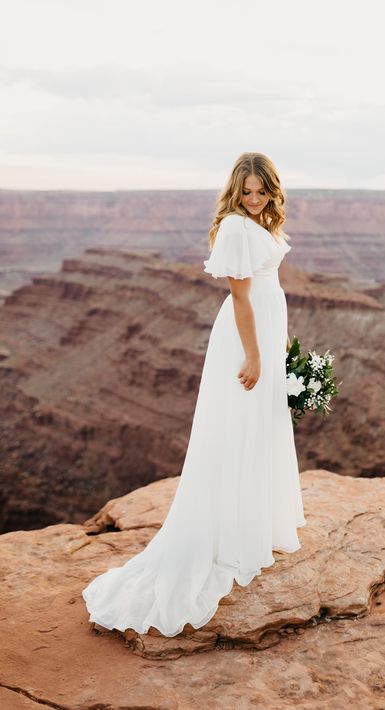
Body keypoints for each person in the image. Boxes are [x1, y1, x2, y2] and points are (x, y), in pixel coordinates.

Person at [82, 152, 307, 638]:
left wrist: (281, 342)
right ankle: (226, 533)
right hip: (246, 337)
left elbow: (268, 289)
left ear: (272, 189)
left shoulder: (259, 225)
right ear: (234, 190)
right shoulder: (233, 228)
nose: (253, 198)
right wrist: (253, 355)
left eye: (261, 191)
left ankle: (252, 524)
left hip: (265, 332)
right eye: (246, 191)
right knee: (237, 430)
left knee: (259, 430)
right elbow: (242, 297)